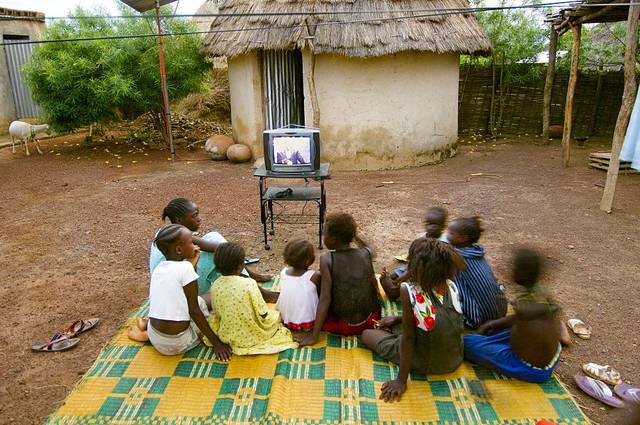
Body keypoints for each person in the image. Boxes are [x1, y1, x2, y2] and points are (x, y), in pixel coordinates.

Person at [361, 237, 465, 402]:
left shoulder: (408, 290)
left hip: (427, 361)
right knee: (396, 327)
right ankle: (395, 329)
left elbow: (409, 338)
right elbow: (433, 315)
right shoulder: (450, 285)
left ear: (415, 268)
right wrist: (397, 319)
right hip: (454, 358)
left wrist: (401, 380)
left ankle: (396, 347)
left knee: (367, 334)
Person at [463, 248, 563, 383]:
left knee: (468, 344)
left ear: (521, 274)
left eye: (514, 267)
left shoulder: (525, 307)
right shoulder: (541, 294)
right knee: (500, 329)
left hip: (530, 369)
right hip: (552, 357)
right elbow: (521, 318)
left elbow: (523, 314)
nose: (511, 270)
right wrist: (493, 323)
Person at [149, 198, 277, 301]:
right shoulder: (178, 235)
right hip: (181, 289)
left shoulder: (167, 232)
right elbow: (220, 249)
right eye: (194, 216)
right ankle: (256, 288)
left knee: (214, 238)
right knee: (222, 253)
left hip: (171, 282)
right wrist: (235, 253)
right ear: (179, 220)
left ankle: (249, 277)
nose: (199, 219)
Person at [136, 224, 232, 360]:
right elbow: (194, 311)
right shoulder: (185, 268)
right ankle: (144, 336)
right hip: (177, 344)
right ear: (179, 250)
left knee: (187, 302)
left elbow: (180, 282)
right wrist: (217, 343)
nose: (194, 245)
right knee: (209, 311)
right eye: (191, 242)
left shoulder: (159, 269)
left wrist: (192, 263)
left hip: (156, 335)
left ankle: (146, 330)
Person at [297, 213, 387, 346]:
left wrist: (313, 335)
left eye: (324, 234)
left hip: (340, 326)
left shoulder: (326, 259)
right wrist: (353, 234)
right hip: (370, 321)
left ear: (333, 239)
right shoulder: (366, 253)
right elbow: (371, 248)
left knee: (318, 279)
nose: (323, 238)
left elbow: (325, 298)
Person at [207, 242, 297, 355]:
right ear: (241, 266)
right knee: (276, 316)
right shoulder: (249, 284)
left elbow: (218, 312)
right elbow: (263, 313)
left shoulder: (215, 285)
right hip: (254, 336)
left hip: (228, 335)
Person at [445, 216, 507, 328]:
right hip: (500, 308)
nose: (446, 235)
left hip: (480, 316)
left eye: (451, 233)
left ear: (463, 238)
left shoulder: (456, 256)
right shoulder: (475, 251)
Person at [385, 206, 450, 297]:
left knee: (404, 287)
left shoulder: (444, 243)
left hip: (430, 272)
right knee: (392, 275)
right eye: (428, 223)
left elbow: (431, 265)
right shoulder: (421, 237)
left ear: (443, 226)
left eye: (434, 224)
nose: (430, 227)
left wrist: (406, 276)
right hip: (413, 267)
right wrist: (407, 272)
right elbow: (412, 259)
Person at [276, 239, 320, 331]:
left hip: (285, 318)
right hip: (306, 323)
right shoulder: (313, 276)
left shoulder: (283, 272)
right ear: (308, 261)